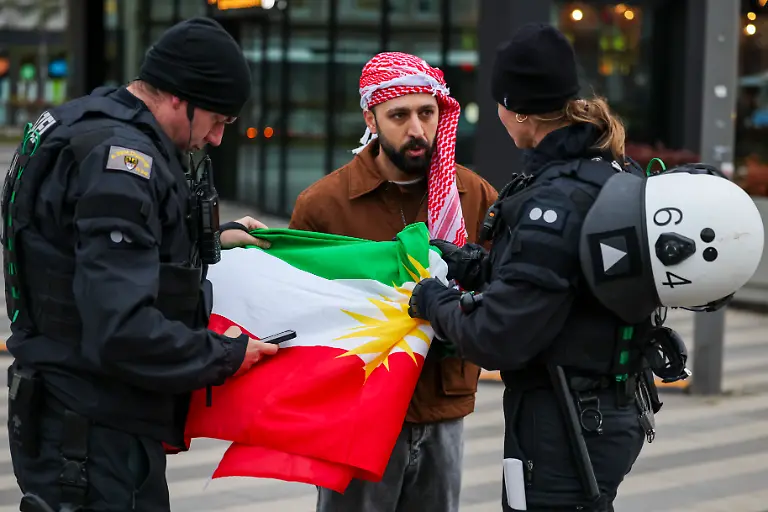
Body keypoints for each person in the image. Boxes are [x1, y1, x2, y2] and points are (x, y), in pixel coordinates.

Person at [4, 17, 278, 512]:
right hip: (93, 438)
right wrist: (226, 355)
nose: (217, 138)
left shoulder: (82, 122)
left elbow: (72, 252)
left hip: (65, 419)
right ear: (178, 97)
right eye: (217, 120)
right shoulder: (122, 162)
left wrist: (215, 236)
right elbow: (122, 327)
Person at [407, 24, 652, 511]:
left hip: (563, 425)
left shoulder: (553, 200)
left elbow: (499, 335)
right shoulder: (610, 168)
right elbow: (570, 280)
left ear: (516, 109)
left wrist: (435, 301)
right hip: (608, 411)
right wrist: (478, 265)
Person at [289, 52, 498, 512]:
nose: (418, 129)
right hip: (357, 414)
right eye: (399, 116)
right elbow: (299, 315)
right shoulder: (324, 204)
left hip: (443, 403)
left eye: (427, 113)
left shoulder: (474, 194)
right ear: (371, 117)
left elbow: (500, 292)